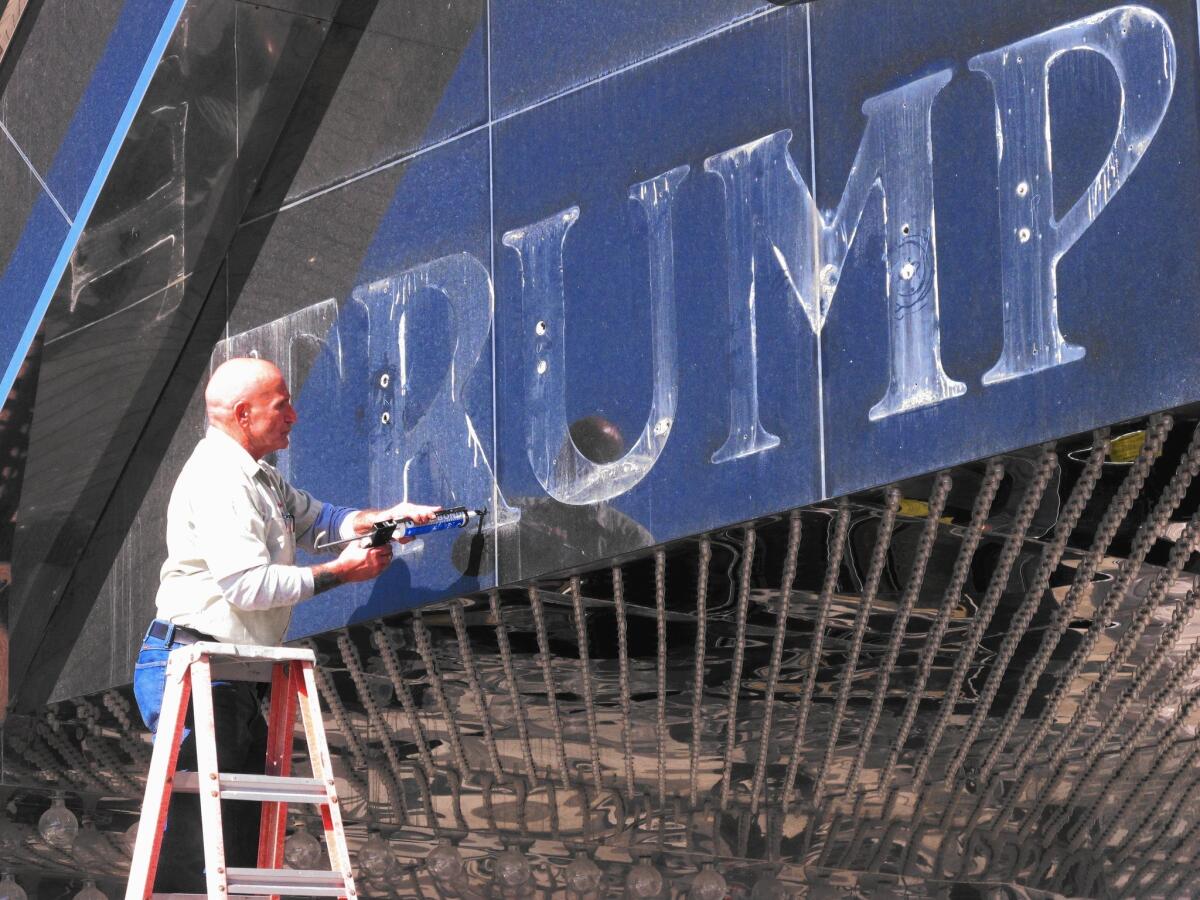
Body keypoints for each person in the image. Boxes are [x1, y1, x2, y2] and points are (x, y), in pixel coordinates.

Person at [132, 356, 437, 890]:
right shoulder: (220, 481)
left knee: (239, 839)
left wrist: (389, 519)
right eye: (282, 405)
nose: (294, 415)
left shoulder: (261, 478)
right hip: (196, 670)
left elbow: (322, 520)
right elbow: (247, 587)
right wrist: (341, 574)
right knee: (201, 842)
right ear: (244, 414)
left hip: (232, 671)